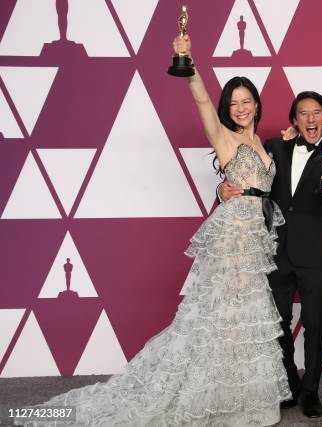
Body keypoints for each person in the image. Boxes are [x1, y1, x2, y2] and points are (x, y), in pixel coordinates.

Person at [23, 34, 290, 427]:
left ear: (256, 103)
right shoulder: (224, 136)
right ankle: (216, 402)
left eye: (246, 101)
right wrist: (188, 61)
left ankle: (244, 402)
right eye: (233, 103)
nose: (241, 108)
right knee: (223, 317)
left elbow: (273, 173)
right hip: (233, 235)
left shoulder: (263, 142)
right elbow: (200, 99)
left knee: (244, 318)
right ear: (226, 109)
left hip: (255, 236)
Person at [220, 91, 322, 419]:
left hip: (316, 251)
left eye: (317, 112)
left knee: (316, 322)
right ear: (294, 120)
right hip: (275, 248)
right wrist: (222, 191)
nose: (310, 119)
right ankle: (290, 383)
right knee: (277, 323)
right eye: (303, 113)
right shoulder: (274, 147)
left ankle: (311, 392)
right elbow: (247, 177)